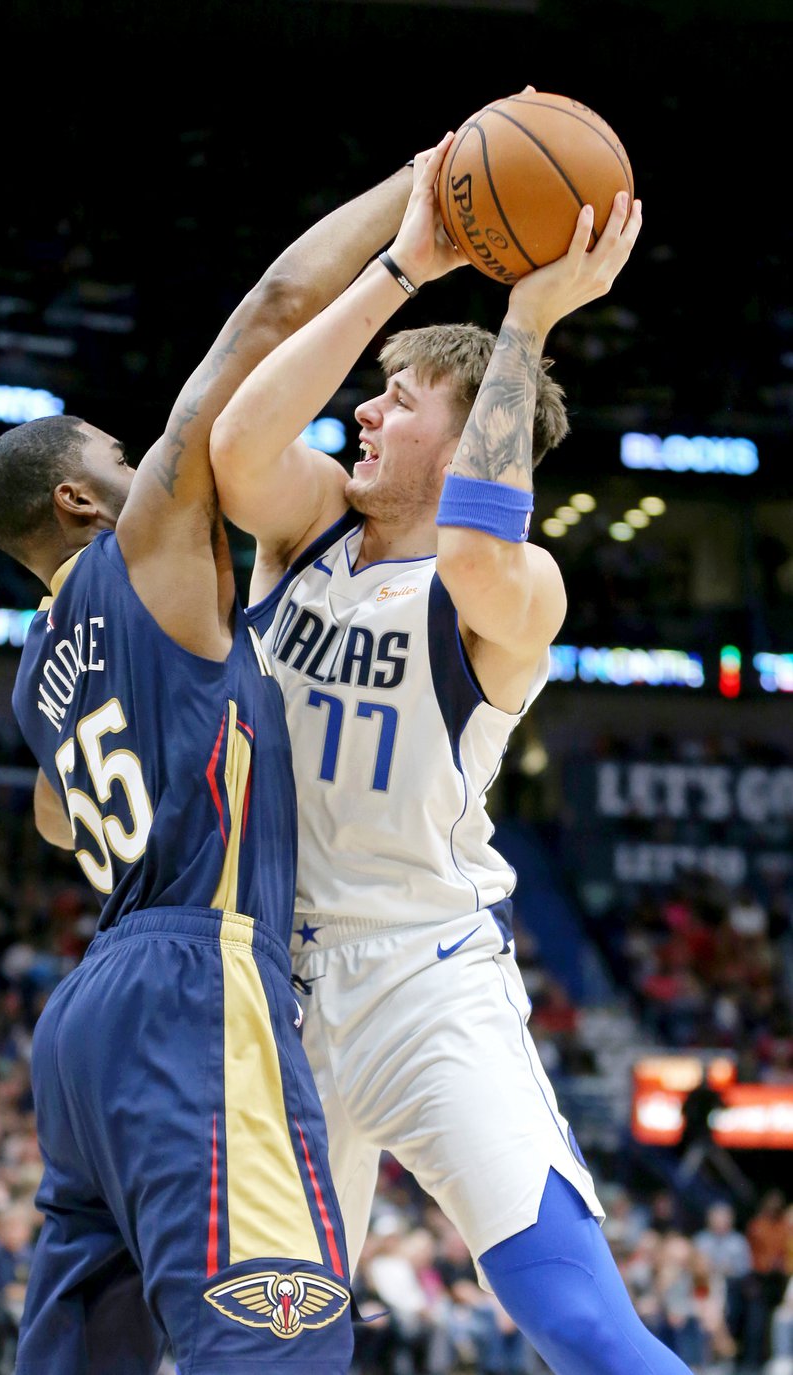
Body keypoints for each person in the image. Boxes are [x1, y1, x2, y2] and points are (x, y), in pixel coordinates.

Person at [209, 132, 697, 1375]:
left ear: (470, 430)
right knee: (266, 1351)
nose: (361, 409)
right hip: (279, 993)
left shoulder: (513, 589)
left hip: (428, 986)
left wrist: (525, 320)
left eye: (396, 395)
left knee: (576, 1321)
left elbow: (475, 547)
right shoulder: (310, 528)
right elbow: (235, 451)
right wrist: (401, 269)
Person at [0, 153, 422, 1375]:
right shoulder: (143, 549)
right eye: (119, 453)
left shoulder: (31, 674)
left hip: (87, 1025)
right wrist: (411, 226)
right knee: (275, 1349)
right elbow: (270, 311)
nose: (142, 465)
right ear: (76, 498)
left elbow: (60, 823)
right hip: (193, 980)